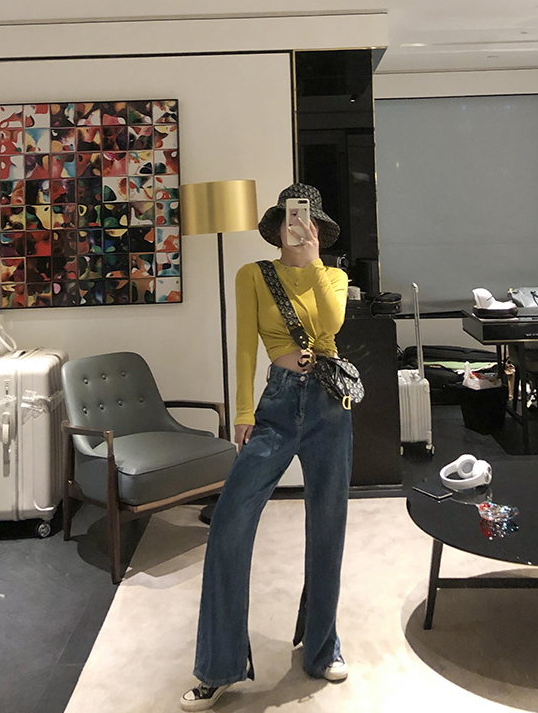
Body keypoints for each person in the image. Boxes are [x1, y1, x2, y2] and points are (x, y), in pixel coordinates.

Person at [181, 184, 352, 711]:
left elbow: (331, 326)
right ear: (277, 226)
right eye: (293, 220)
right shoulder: (252, 275)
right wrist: (242, 411)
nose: (300, 228)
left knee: (328, 525)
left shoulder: (334, 276)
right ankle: (219, 665)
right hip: (276, 406)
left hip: (328, 406)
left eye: (310, 221)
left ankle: (321, 647)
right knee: (229, 523)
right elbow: (245, 347)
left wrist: (315, 262)